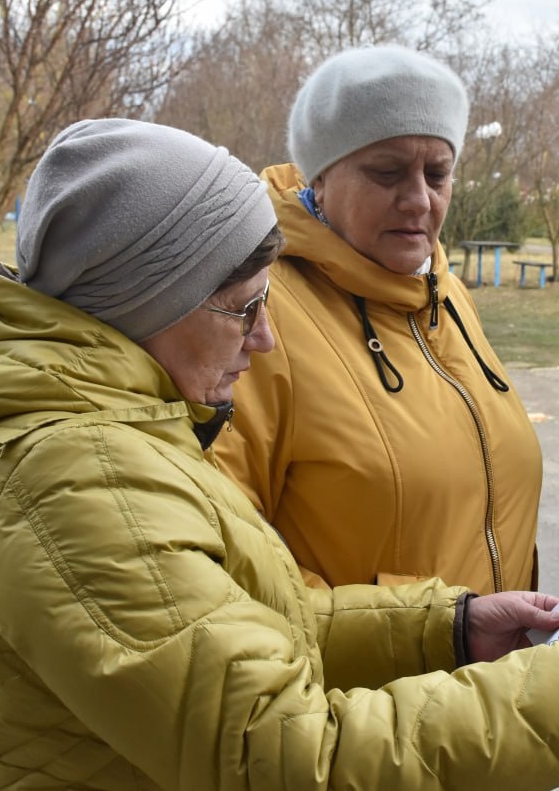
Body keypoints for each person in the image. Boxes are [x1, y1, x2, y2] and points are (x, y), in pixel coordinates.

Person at [0, 118, 559, 789]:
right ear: (142, 300)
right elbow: (280, 755)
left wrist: (447, 627)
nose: (267, 339)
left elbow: (232, 628)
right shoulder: (72, 480)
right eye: (242, 306)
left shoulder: (117, 430)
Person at [215, 44, 541, 595]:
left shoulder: (447, 293)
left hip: (505, 672)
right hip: (369, 679)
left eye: (437, 174)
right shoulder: (259, 314)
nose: (418, 200)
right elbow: (231, 557)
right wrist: (437, 631)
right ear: (319, 178)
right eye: (387, 172)